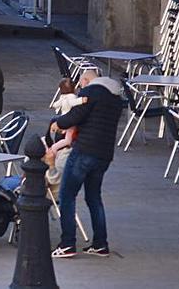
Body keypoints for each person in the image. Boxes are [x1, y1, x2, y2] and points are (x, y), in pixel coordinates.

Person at [50, 68, 124, 259]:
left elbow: (75, 116)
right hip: (104, 154)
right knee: (94, 198)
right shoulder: (115, 96)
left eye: (81, 83)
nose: (79, 88)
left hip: (84, 150)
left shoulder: (91, 91)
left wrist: (59, 123)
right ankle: (100, 244)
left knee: (67, 195)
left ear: (85, 80)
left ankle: (67, 244)